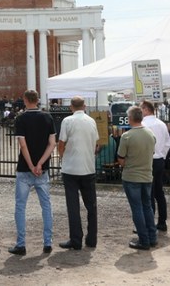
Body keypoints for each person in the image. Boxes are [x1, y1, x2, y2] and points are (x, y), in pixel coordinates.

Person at [9, 89, 56, 256]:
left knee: (20, 207)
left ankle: (21, 244)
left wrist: (30, 165)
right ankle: (47, 242)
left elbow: (22, 144)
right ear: (37, 100)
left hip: (25, 168)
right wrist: (40, 163)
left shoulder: (21, 118)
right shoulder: (47, 117)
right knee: (46, 205)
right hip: (42, 169)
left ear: (25, 100)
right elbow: (52, 143)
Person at [57, 96, 99, 250]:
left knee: (73, 206)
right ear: (85, 106)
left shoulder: (67, 121)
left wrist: (63, 156)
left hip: (71, 168)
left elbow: (61, 143)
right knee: (91, 206)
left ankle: (76, 239)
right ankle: (92, 238)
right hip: (88, 168)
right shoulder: (92, 121)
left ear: (71, 107)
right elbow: (95, 144)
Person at [117, 105, 157, 250]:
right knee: (147, 207)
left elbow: (121, 159)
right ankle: (152, 237)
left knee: (137, 209)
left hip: (131, 176)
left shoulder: (127, 136)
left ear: (130, 118)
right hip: (147, 175)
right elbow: (151, 153)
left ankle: (143, 239)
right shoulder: (150, 134)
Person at [140, 101, 170, 231]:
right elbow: (167, 143)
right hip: (159, 160)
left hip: (148, 160)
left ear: (146, 109)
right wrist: (162, 155)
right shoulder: (162, 124)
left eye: (141, 109)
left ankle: (149, 222)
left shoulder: (143, 124)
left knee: (148, 193)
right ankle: (162, 221)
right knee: (159, 192)